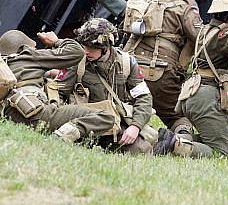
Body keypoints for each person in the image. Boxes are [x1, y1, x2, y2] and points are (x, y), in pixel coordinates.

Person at [154, 0, 228, 158]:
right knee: (220, 152)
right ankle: (174, 144)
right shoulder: (222, 37)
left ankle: (173, 139)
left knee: (209, 139)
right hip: (206, 98)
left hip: (193, 94)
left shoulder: (205, 31)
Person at [0, 30, 117, 144]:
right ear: (23, 48)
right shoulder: (29, 56)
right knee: (106, 117)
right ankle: (58, 137)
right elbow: (77, 51)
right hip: (36, 116)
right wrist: (56, 41)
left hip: (8, 115)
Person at [58, 18, 155, 154]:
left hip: (114, 125)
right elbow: (58, 93)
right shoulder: (77, 62)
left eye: (92, 47)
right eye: (84, 46)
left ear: (106, 48)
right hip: (83, 122)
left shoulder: (127, 63)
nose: (86, 51)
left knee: (141, 149)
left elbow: (143, 97)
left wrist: (135, 126)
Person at [122, 0, 201, 135]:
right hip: (161, 75)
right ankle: (181, 142)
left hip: (130, 71)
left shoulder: (147, 3)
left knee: (126, 108)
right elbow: (201, 39)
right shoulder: (185, 10)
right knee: (175, 115)